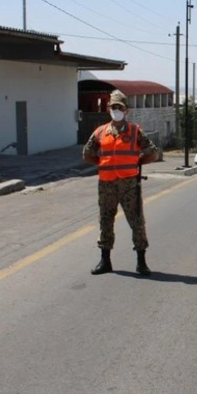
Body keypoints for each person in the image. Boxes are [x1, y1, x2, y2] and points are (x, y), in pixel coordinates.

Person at [82, 90, 159, 276]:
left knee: (136, 221)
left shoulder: (134, 131)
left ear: (127, 110)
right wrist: (102, 163)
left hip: (129, 185)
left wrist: (138, 161)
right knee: (105, 221)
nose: (116, 110)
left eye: (120, 107)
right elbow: (87, 154)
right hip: (107, 185)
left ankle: (141, 262)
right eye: (113, 107)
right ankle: (105, 261)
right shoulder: (100, 132)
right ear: (109, 109)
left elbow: (153, 152)